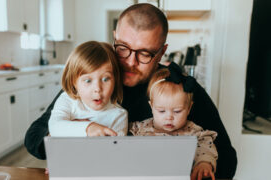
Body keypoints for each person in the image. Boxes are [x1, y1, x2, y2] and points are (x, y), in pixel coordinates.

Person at [25, 3, 237, 178]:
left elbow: (227, 158)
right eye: (123, 48)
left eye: (145, 53)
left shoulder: (178, 88)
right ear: (114, 37)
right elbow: (34, 138)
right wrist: (72, 137)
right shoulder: (93, 83)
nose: (130, 62)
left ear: (162, 51)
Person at [130, 66, 218, 180]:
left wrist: (204, 164)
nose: (169, 117)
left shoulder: (194, 133)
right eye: (161, 111)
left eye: (177, 111)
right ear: (151, 107)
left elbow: (206, 149)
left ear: (189, 108)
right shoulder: (139, 128)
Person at [48, 41, 127, 137]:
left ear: (115, 80)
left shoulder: (119, 116)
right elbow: (54, 127)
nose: (97, 89)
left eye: (105, 79)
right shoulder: (67, 100)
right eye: (88, 81)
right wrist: (88, 128)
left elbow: (116, 150)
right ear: (74, 82)